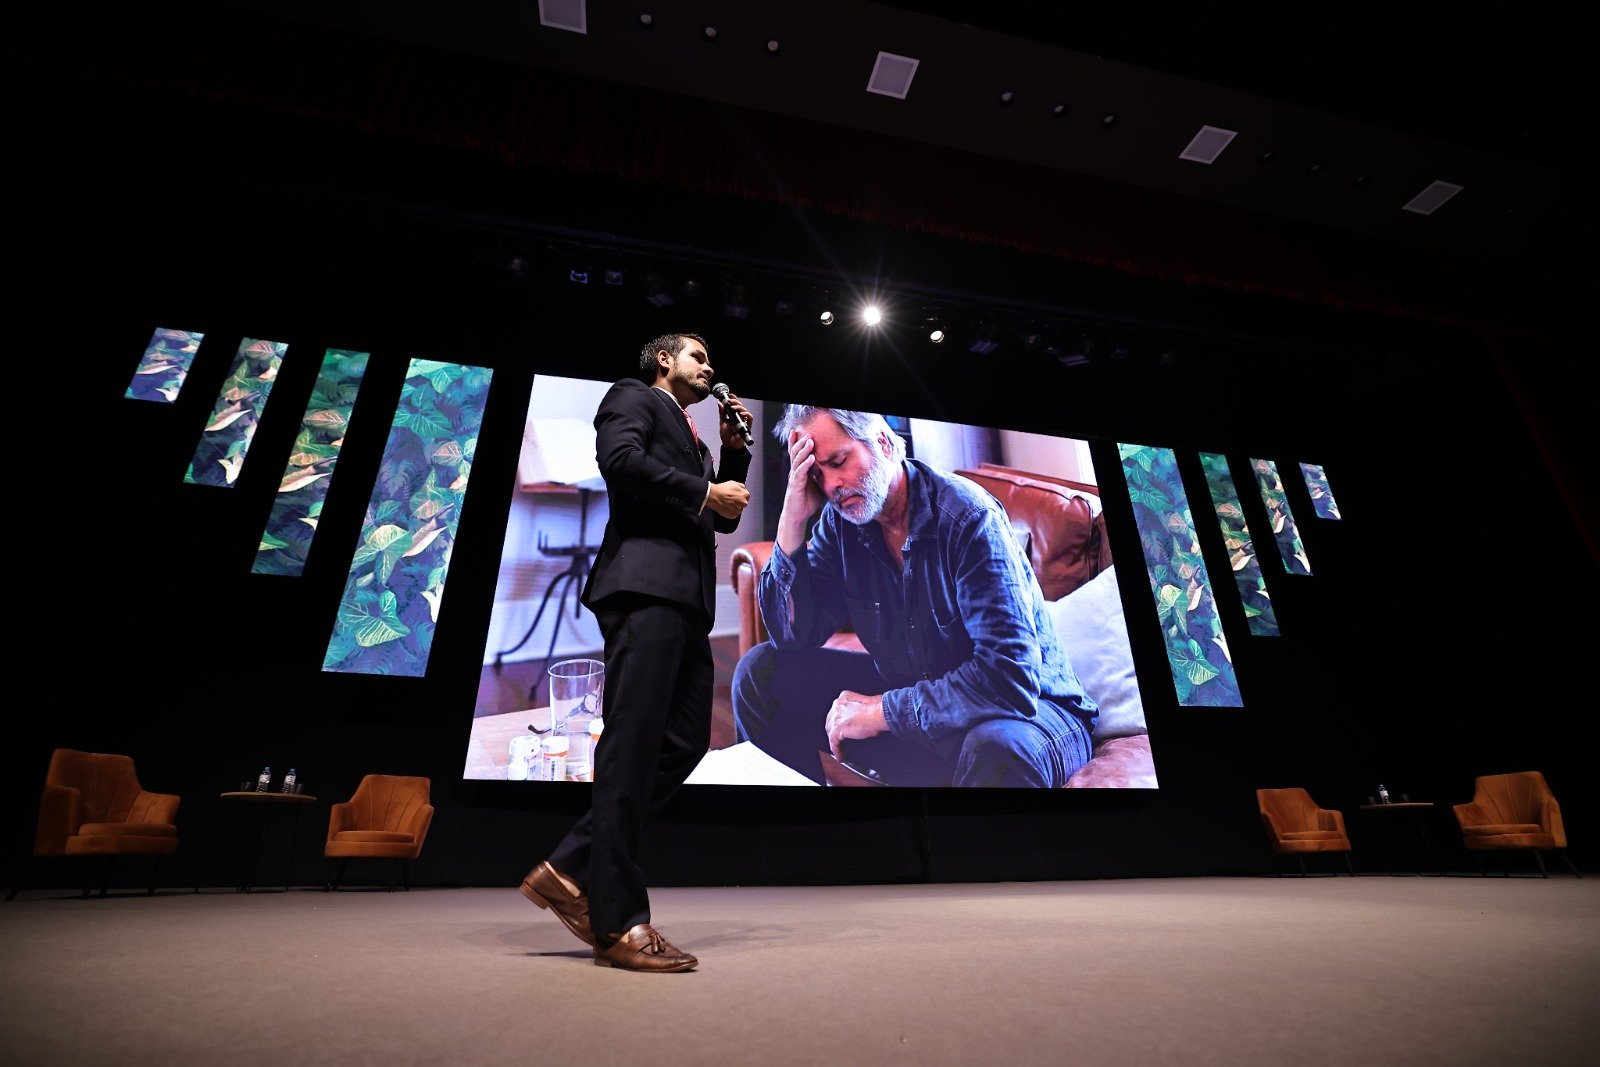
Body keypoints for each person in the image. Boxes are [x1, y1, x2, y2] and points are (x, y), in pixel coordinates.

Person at [520, 332, 751, 972]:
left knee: (684, 742)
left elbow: (723, 519)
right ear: (662, 361)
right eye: (698, 356)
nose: (710, 366)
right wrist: (705, 490)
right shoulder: (633, 398)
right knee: (632, 744)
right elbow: (619, 463)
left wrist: (730, 460)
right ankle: (620, 920)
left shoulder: (694, 436)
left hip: (684, 601)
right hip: (644, 589)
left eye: (711, 357)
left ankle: (566, 865)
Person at [732, 406, 1097, 787]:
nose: (831, 486)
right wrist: (792, 518)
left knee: (996, 747)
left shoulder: (969, 519)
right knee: (761, 673)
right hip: (923, 701)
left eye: (839, 461)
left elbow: (1009, 679)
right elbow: (791, 638)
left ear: (885, 443)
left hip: (1033, 713)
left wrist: (882, 711)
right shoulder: (841, 522)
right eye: (817, 474)